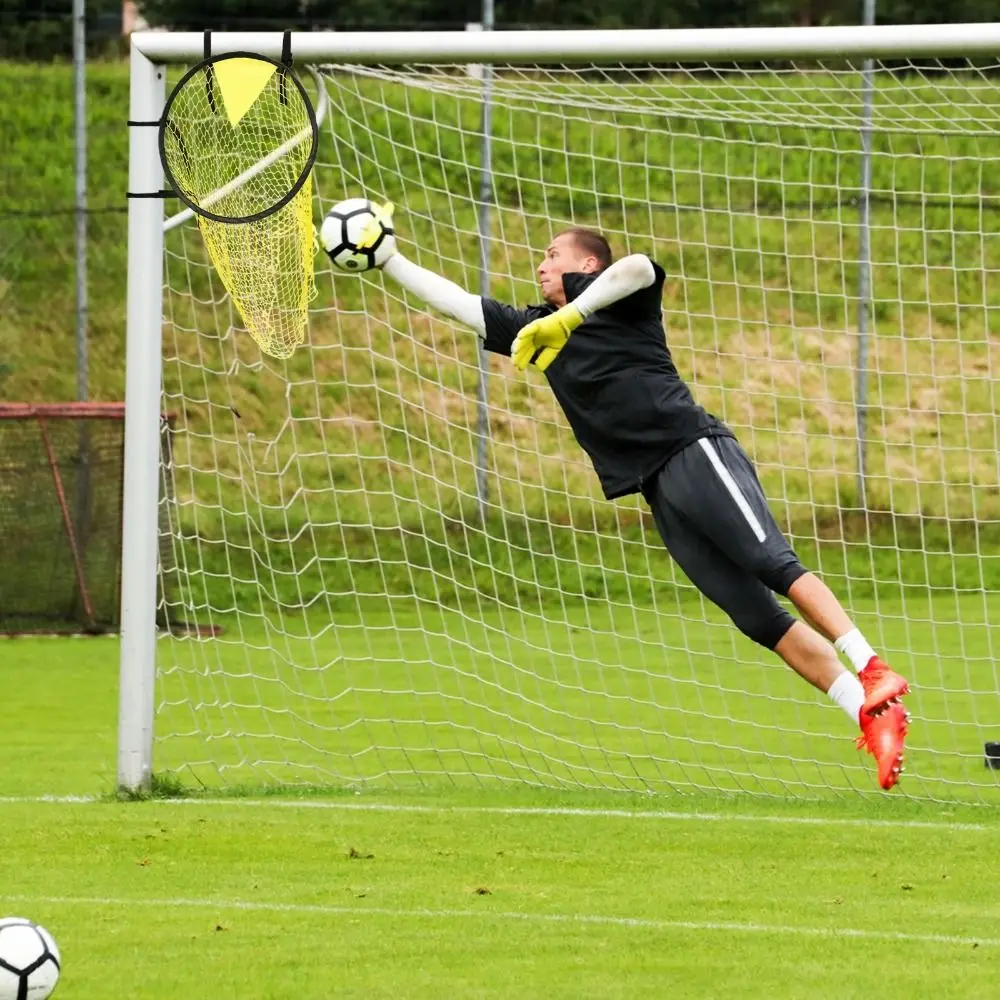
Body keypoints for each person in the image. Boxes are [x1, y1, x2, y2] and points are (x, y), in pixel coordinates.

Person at [368, 212, 911, 790]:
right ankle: (867, 710)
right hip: (655, 485)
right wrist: (388, 260)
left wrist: (573, 314)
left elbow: (638, 267)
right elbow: (457, 303)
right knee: (755, 617)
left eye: (553, 254)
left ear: (586, 265)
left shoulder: (615, 299)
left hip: (693, 450)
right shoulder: (535, 329)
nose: (541, 263)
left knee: (771, 563)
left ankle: (872, 664)